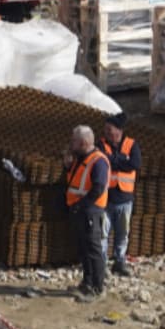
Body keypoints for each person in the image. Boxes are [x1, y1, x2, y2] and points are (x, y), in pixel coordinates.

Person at [64, 125, 109, 302]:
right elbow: (75, 181)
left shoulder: (98, 161)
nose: (71, 143)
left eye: (74, 140)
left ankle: (97, 288)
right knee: (84, 249)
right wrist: (67, 167)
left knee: (93, 250)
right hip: (80, 210)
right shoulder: (81, 158)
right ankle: (87, 282)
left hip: (90, 211)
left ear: (83, 142)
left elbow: (98, 188)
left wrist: (81, 205)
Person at [96, 113, 140, 277]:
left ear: (118, 131)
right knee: (103, 233)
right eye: (105, 129)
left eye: (109, 129)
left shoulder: (132, 144)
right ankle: (102, 264)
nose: (106, 132)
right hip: (106, 198)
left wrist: (114, 160)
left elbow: (134, 164)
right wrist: (122, 160)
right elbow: (102, 160)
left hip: (125, 198)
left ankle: (120, 261)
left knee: (122, 233)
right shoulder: (101, 144)